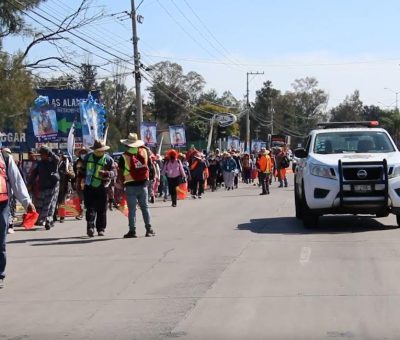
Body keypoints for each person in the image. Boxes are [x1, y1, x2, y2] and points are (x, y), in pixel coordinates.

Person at [0, 148, 35, 288]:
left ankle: (0, 274)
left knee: (0, 241)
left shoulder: (5, 158)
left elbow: (16, 181)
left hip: (2, 205)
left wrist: (27, 202)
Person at [118, 133, 155, 238]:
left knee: (132, 210)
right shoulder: (144, 152)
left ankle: (132, 231)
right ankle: (149, 229)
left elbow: (120, 172)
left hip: (130, 185)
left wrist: (122, 183)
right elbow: (150, 166)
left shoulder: (124, 156)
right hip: (143, 184)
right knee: (145, 207)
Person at [82, 140, 116, 237]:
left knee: (102, 209)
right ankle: (90, 227)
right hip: (89, 186)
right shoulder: (87, 158)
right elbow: (82, 170)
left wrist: (107, 173)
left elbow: (114, 173)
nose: (100, 152)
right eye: (98, 150)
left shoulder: (108, 160)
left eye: (102, 150)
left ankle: (101, 229)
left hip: (103, 187)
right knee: (90, 208)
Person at [29, 146, 60, 230]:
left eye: (43, 154)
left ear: (47, 154)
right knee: (40, 204)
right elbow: (34, 173)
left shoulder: (53, 161)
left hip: (53, 186)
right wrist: (30, 183)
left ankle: (48, 221)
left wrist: (49, 151)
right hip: (42, 186)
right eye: (41, 154)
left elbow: (58, 159)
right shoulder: (40, 163)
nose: (41, 156)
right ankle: (42, 219)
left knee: (49, 204)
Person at [55, 154, 75, 223]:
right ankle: (54, 216)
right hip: (56, 186)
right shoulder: (56, 164)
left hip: (64, 186)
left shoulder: (68, 165)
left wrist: (68, 172)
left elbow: (73, 175)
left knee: (62, 202)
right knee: (55, 201)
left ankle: (62, 217)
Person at [73, 147, 88, 220]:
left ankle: (88, 211)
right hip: (79, 181)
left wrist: (81, 170)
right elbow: (74, 172)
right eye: (81, 153)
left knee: (88, 198)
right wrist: (73, 182)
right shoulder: (77, 162)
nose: (83, 154)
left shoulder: (89, 161)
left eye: (84, 153)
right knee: (80, 198)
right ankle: (81, 212)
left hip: (88, 181)